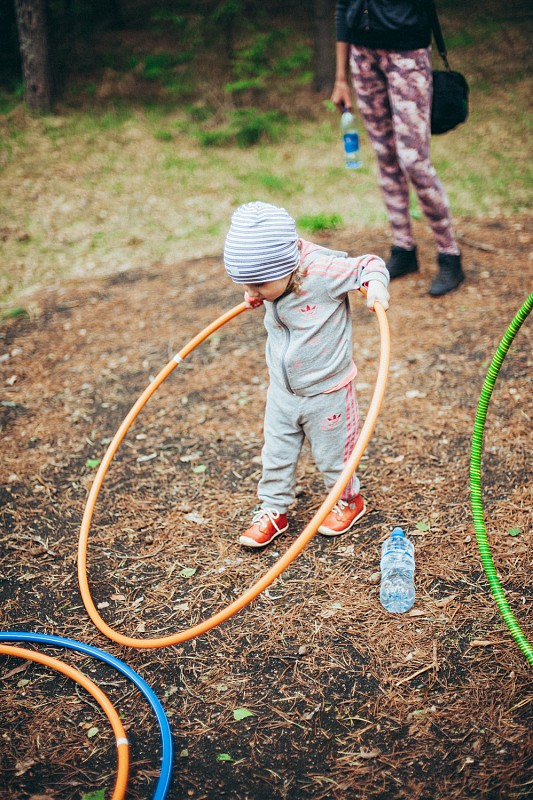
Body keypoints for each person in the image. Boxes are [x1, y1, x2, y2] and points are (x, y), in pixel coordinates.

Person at [223, 201, 390, 548]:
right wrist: (257, 293)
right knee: (276, 455)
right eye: (245, 285)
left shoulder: (323, 272)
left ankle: (348, 501)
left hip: (327, 393)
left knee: (334, 458)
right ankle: (274, 508)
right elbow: (263, 287)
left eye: (258, 284)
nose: (251, 293)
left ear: (285, 267)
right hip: (282, 393)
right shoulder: (272, 278)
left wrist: (374, 285)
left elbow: (368, 264)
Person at [331, 0, 465, 297]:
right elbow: (343, 7)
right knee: (385, 156)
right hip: (362, 55)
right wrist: (341, 78)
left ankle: (449, 254)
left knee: (414, 161)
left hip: (408, 52)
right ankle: (404, 248)